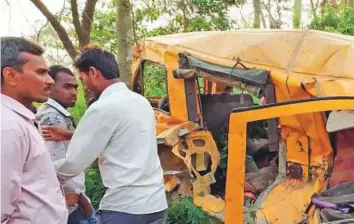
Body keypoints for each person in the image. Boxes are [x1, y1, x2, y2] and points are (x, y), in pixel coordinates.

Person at [55, 45, 168, 224]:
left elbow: (74, 163)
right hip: (156, 204)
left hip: (126, 208)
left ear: (93, 72)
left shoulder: (102, 108)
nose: (83, 85)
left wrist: (41, 172)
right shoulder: (142, 103)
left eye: (82, 78)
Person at [1, 37, 68, 223]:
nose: (50, 81)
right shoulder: (8, 126)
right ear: (11, 76)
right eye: (41, 73)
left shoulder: (20, 120)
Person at [36, 65, 97, 224]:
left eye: (75, 87)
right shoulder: (52, 118)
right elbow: (53, 166)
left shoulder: (59, 115)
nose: (74, 92)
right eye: (66, 87)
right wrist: (74, 197)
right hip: (69, 205)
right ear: (50, 86)